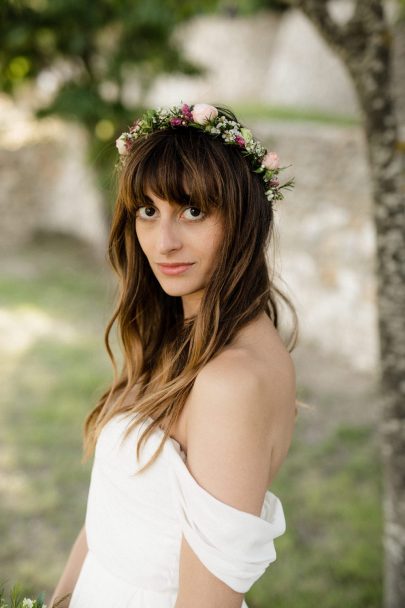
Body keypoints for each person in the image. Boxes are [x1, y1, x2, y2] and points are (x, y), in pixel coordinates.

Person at [49, 102, 299, 608]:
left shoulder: (230, 380)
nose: (163, 242)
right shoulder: (181, 335)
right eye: (148, 210)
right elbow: (107, 521)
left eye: (193, 210)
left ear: (246, 218)